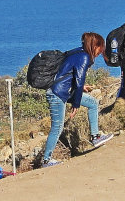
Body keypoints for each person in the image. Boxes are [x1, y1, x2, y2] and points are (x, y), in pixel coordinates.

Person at [41, 32, 113, 168]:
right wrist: (76, 104)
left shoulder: (78, 52)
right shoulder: (84, 57)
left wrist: (80, 88)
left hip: (64, 91)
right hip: (57, 94)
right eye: (100, 47)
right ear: (94, 46)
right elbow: (79, 81)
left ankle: (95, 137)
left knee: (92, 103)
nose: (101, 51)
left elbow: (70, 76)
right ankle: (46, 160)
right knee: (57, 127)